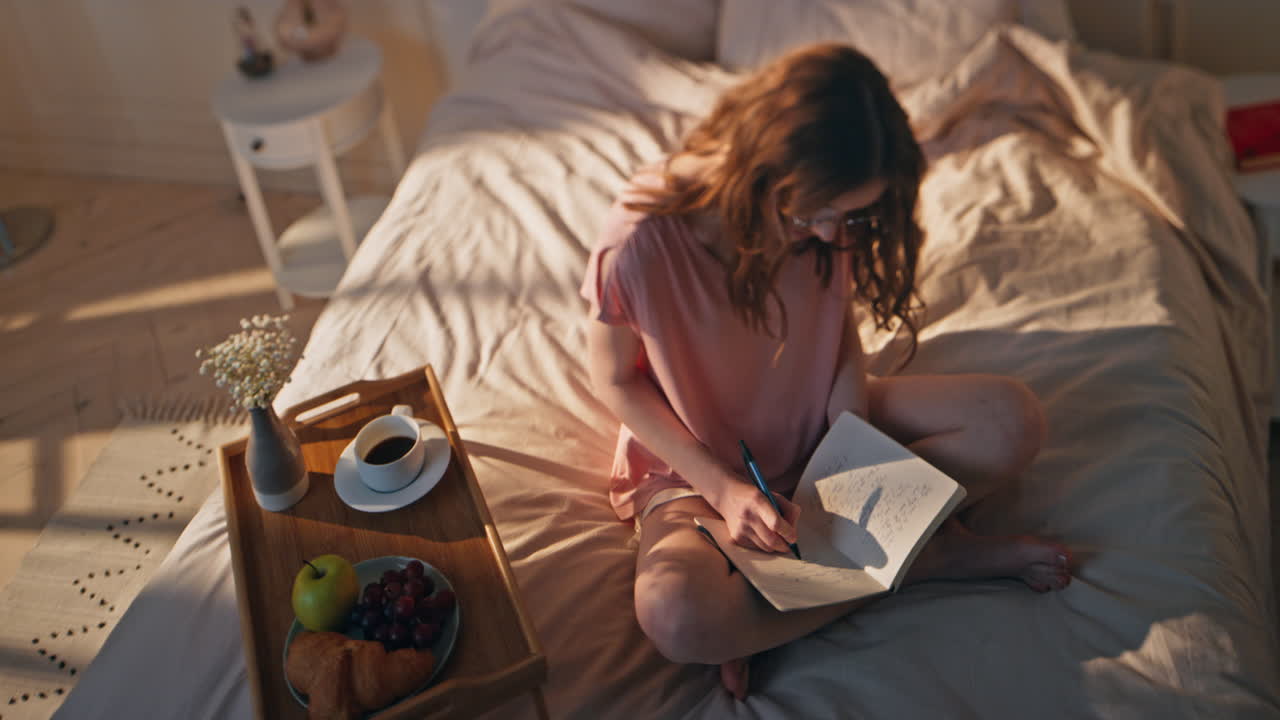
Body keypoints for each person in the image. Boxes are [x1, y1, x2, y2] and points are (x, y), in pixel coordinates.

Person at [580, 42, 1072, 701]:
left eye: (849, 217)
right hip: (698, 466)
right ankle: (927, 560)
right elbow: (614, 381)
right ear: (768, 169)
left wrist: (850, 442)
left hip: (814, 419)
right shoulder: (643, 237)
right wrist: (725, 492)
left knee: (1012, 422)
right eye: (813, 215)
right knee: (679, 615)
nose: (830, 234)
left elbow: (836, 327)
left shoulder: (828, 222)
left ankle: (770, 617)